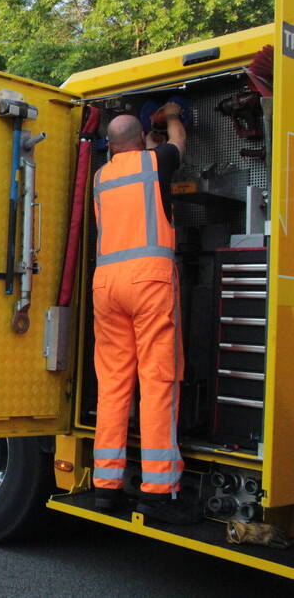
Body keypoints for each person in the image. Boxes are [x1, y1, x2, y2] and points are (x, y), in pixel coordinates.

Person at [90, 102, 198, 524]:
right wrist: (172, 115)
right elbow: (179, 145)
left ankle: (106, 487)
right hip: (149, 282)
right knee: (157, 381)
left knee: (114, 385)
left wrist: (145, 138)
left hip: (106, 286)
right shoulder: (156, 162)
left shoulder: (102, 176)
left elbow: (145, 156)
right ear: (139, 140)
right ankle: (157, 493)